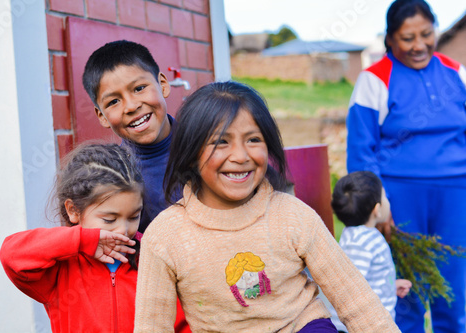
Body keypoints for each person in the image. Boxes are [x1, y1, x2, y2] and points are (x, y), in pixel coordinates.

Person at [133, 81, 400, 332]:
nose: (240, 156)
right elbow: (152, 325)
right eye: (221, 142)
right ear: (190, 155)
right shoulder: (165, 236)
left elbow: (356, 299)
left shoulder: (293, 215)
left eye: (253, 139)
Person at [346, 0, 466, 331]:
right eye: (407, 38)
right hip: (398, 198)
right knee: (406, 289)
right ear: (390, 39)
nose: (419, 46)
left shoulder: (457, 74)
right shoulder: (374, 80)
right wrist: (376, 205)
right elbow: (361, 150)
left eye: (427, 34)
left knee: (454, 289)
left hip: (456, 194)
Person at [0, 144, 187, 332]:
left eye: (133, 217)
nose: (123, 229)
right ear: (73, 210)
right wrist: (82, 240)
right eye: (109, 219)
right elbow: (12, 254)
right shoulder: (61, 268)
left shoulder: (151, 260)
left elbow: (180, 324)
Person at [82, 40, 174, 234]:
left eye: (139, 88)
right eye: (114, 101)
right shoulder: (114, 177)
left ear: (163, 85)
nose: (131, 106)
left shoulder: (206, 144)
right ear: (102, 116)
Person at [327, 171, 412, 332]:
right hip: (369, 326)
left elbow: (363, 280)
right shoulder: (361, 242)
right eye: (384, 197)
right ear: (377, 209)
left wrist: (388, 286)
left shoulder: (355, 234)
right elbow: (351, 290)